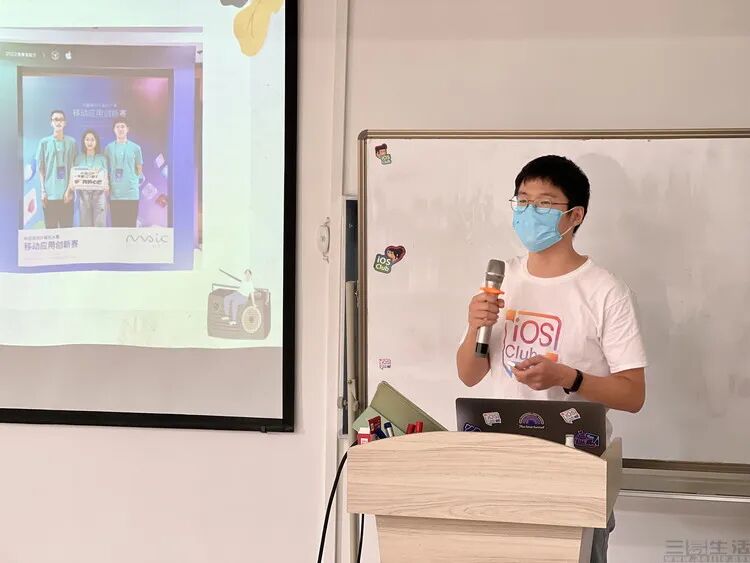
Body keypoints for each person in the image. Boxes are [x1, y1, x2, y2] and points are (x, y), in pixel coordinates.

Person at [456, 155, 647, 563]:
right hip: (500, 470)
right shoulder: (502, 280)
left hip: (574, 474)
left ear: (575, 216)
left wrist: (567, 377)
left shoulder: (605, 291)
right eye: (522, 201)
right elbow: (469, 375)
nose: (529, 212)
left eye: (543, 204)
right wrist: (474, 327)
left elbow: (633, 395)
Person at [35, 109, 77, 228]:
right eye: (55, 119)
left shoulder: (72, 142)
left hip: (66, 196)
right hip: (49, 196)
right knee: (51, 231)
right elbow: (41, 169)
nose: (58, 122)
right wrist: (43, 191)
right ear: (51, 123)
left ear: (65, 123)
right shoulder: (44, 142)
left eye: (61, 119)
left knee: (67, 232)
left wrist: (69, 190)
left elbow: (74, 168)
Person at [64, 129, 109, 227]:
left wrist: (107, 186)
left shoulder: (102, 158)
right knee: (85, 226)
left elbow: (106, 177)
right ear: (83, 141)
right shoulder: (78, 158)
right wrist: (69, 190)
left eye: (92, 140)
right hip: (83, 196)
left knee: (100, 226)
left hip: (99, 195)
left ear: (96, 142)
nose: (89, 142)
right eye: (87, 139)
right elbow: (73, 175)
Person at [104, 117, 143, 227]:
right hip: (115, 193)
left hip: (131, 193)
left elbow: (139, 168)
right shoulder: (108, 148)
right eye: (117, 127)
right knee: (117, 226)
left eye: (122, 126)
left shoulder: (136, 148)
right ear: (114, 130)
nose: (120, 129)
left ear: (127, 129)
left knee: (130, 226)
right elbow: (105, 169)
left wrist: (132, 180)